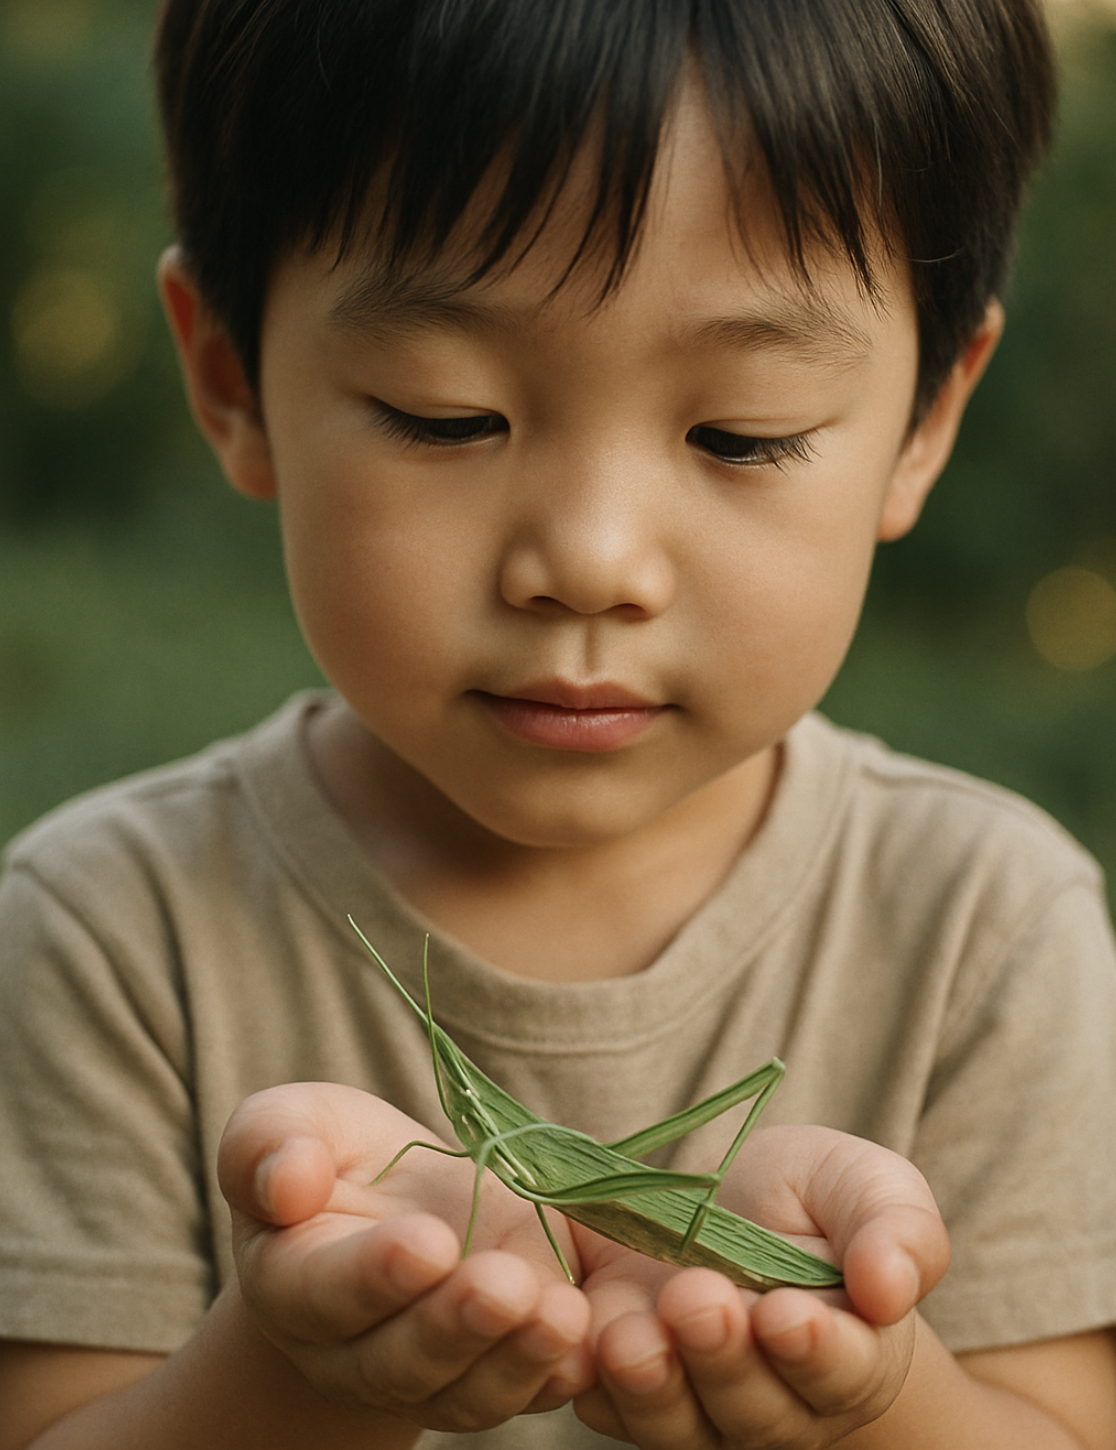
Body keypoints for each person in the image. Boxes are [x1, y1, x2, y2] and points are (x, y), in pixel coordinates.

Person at [1, 0, 1114, 1446]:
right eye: (443, 412)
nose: (590, 559)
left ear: (922, 423)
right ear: (229, 377)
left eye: (744, 431)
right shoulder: (100, 933)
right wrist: (295, 1370)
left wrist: (873, 1391)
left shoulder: (990, 926)